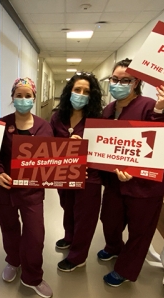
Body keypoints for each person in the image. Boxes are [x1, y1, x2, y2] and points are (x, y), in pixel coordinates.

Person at [98, 58, 164, 287]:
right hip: (114, 183)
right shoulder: (109, 109)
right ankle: (113, 248)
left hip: (144, 185)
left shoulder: (150, 106)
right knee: (109, 220)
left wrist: (161, 110)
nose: (118, 83)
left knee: (139, 231)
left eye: (125, 80)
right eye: (115, 79)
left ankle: (125, 269)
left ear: (136, 82)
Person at [0, 77, 53, 298]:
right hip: (5, 191)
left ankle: (33, 276)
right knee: (9, 230)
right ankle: (13, 260)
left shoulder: (44, 127)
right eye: (19, 95)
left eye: (28, 96)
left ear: (34, 98)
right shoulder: (1, 125)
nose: (24, 99)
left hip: (32, 193)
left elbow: (52, 159)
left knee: (35, 235)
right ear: (12, 97)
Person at [50, 72, 103, 272]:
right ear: (69, 92)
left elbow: (105, 150)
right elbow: (49, 144)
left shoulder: (98, 120)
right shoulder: (58, 117)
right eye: (77, 90)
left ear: (92, 96)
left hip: (90, 177)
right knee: (68, 207)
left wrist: (85, 148)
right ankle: (69, 237)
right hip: (64, 174)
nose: (81, 95)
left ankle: (78, 256)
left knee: (85, 217)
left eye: (86, 91)